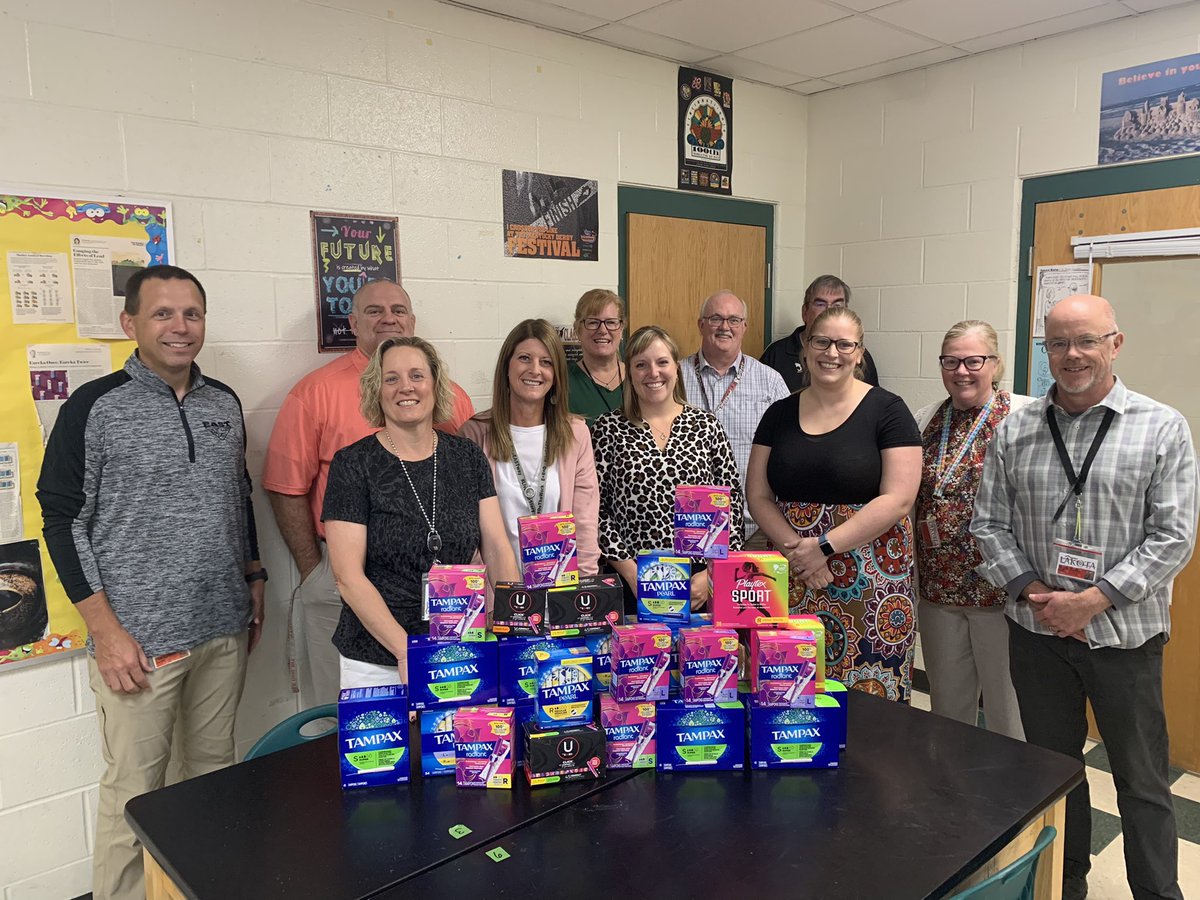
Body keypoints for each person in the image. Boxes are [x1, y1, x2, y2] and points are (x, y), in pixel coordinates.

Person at [37, 265, 264, 900]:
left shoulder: (224, 402)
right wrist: (105, 631)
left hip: (221, 627)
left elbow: (237, 498)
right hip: (138, 639)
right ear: (130, 323)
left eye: (192, 314)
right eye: (163, 314)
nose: (180, 327)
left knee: (213, 776)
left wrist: (254, 575)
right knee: (135, 791)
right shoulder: (95, 406)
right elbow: (61, 518)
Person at [972, 295, 1197, 900]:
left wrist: (1094, 599)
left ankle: (1157, 893)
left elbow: (1173, 537)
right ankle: (1062, 885)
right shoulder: (1014, 428)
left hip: (1125, 639)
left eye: (1086, 341)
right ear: (1046, 351)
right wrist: (1038, 592)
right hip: (1038, 634)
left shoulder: (1162, 426)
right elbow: (988, 524)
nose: (1072, 355)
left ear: (1114, 344)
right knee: (1052, 772)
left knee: (1142, 780)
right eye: (1059, 344)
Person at [262, 279, 474, 705]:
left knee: (444, 712)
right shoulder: (314, 393)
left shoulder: (445, 392)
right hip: (343, 573)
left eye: (398, 309)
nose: (388, 318)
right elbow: (286, 487)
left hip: (444, 590)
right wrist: (314, 569)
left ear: (412, 321)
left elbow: (466, 466)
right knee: (342, 716)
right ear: (353, 323)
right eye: (374, 311)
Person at [322, 337, 519, 688]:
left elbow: (497, 547)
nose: (406, 387)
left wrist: (518, 620)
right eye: (392, 378)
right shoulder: (353, 464)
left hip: (459, 648)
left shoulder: (467, 458)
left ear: (435, 385)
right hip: (377, 657)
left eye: (417, 375)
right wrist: (404, 653)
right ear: (376, 390)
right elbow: (348, 578)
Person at [747, 306, 921, 702]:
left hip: (869, 579)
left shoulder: (889, 411)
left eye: (846, 344)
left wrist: (822, 547)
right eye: (822, 341)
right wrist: (798, 551)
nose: (832, 352)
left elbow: (898, 498)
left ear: (860, 353)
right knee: (788, 692)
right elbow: (757, 494)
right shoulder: (779, 413)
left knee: (868, 700)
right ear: (805, 348)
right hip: (792, 573)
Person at [913, 321, 1030, 739]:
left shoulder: (1025, 417)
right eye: (951, 361)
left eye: (973, 360)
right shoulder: (925, 419)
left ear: (994, 365)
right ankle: (955, 798)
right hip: (939, 590)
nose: (962, 371)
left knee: (1009, 714)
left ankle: (1015, 800)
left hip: (1004, 593)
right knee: (948, 711)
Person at [593, 325, 745, 611]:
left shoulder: (706, 426)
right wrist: (632, 575)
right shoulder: (608, 428)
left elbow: (732, 502)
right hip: (631, 584)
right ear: (629, 372)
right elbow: (596, 510)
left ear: (676, 368)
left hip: (699, 584)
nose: (653, 373)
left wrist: (710, 574)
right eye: (641, 365)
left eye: (662, 362)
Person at [459, 319, 600, 574]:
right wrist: (488, 601)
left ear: (556, 375)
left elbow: (585, 524)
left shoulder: (576, 434)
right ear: (507, 367)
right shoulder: (475, 433)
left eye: (546, 362)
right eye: (525, 358)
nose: (535, 370)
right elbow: (466, 533)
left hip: (561, 595)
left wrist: (582, 590)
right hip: (499, 595)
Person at [681, 289, 789, 546]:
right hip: (687, 525)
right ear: (701, 324)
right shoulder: (674, 377)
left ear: (744, 327)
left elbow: (788, 449)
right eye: (716, 318)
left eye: (733, 320)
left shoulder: (770, 382)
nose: (724, 327)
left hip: (755, 527)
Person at [760, 275, 880, 391]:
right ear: (805, 312)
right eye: (820, 304)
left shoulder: (855, 354)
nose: (829, 310)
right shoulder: (776, 354)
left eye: (837, 305)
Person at [567, 288, 625, 427]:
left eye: (611, 322)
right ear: (577, 330)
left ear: (621, 329)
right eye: (593, 322)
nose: (603, 330)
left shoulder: (640, 377)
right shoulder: (562, 381)